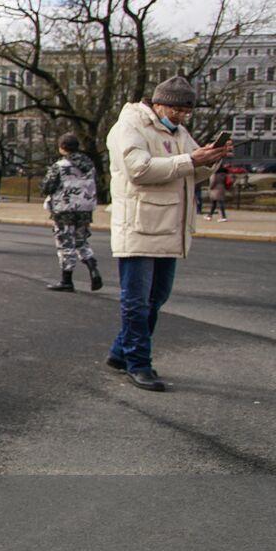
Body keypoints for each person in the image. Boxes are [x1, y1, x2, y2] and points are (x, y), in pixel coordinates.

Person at [105, 76, 230, 391]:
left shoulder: (179, 133)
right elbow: (140, 170)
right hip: (139, 225)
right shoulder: (130, 126)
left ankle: (121, 353)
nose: (179, 115)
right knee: (136, 301)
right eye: (174, 108)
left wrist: (211, 159)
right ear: (157, 102)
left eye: (185, 111)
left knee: (156, 297)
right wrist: (191, 159)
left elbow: (190, 172)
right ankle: (138, 362)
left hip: (168, 227)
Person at [40, 133, 103, 292]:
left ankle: (66, 279)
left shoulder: (60, 166)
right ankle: (92, 266)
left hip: (64, 208)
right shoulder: (89, 165)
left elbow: (47, 186)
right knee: (81, 240)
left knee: (65, 242)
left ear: (62, 148)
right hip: (85, 208)